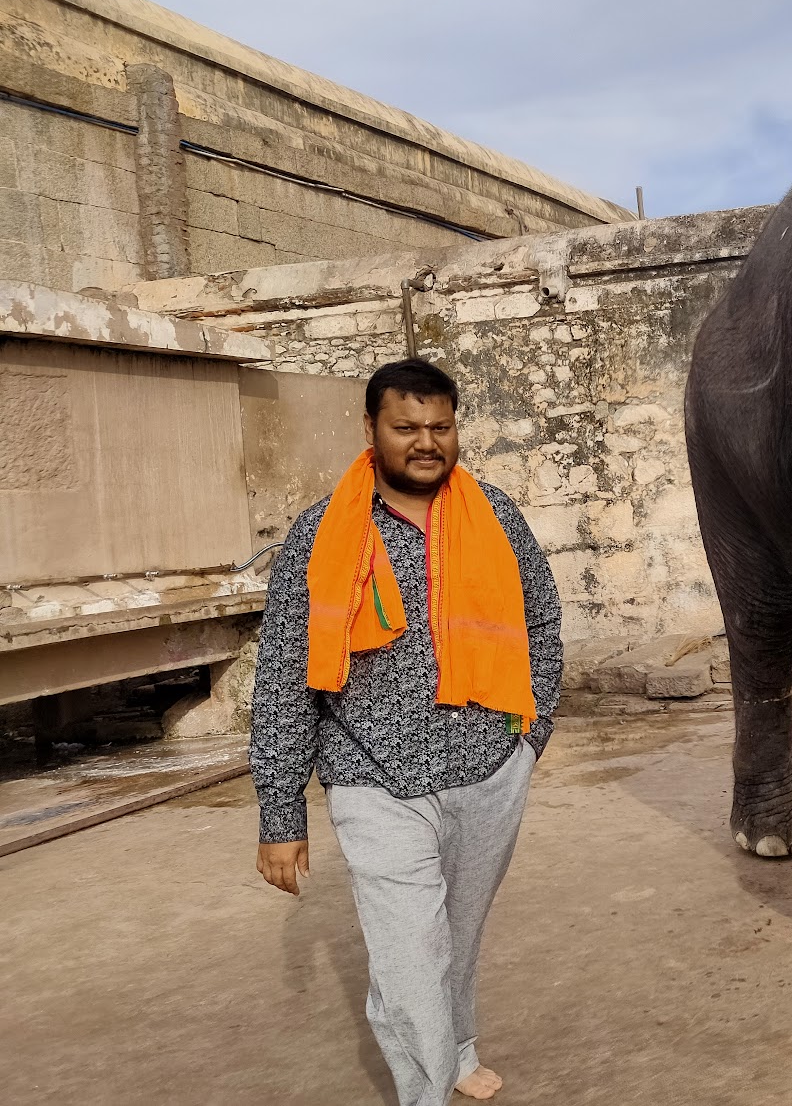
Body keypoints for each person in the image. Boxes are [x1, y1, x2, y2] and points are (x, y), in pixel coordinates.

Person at [250, 358, 562, 1105]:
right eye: (406, 427)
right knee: (410, 958)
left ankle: (456, 1047)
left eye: (441, 427)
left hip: (488, 765)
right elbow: (283, 675)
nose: (426, 442)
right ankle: (425, 1091)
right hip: (374, 779)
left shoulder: (496, 515)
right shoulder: (320, 534)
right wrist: (280, 811)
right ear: (370, 429)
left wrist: (531, 732)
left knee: (456, 934)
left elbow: (542, 617)